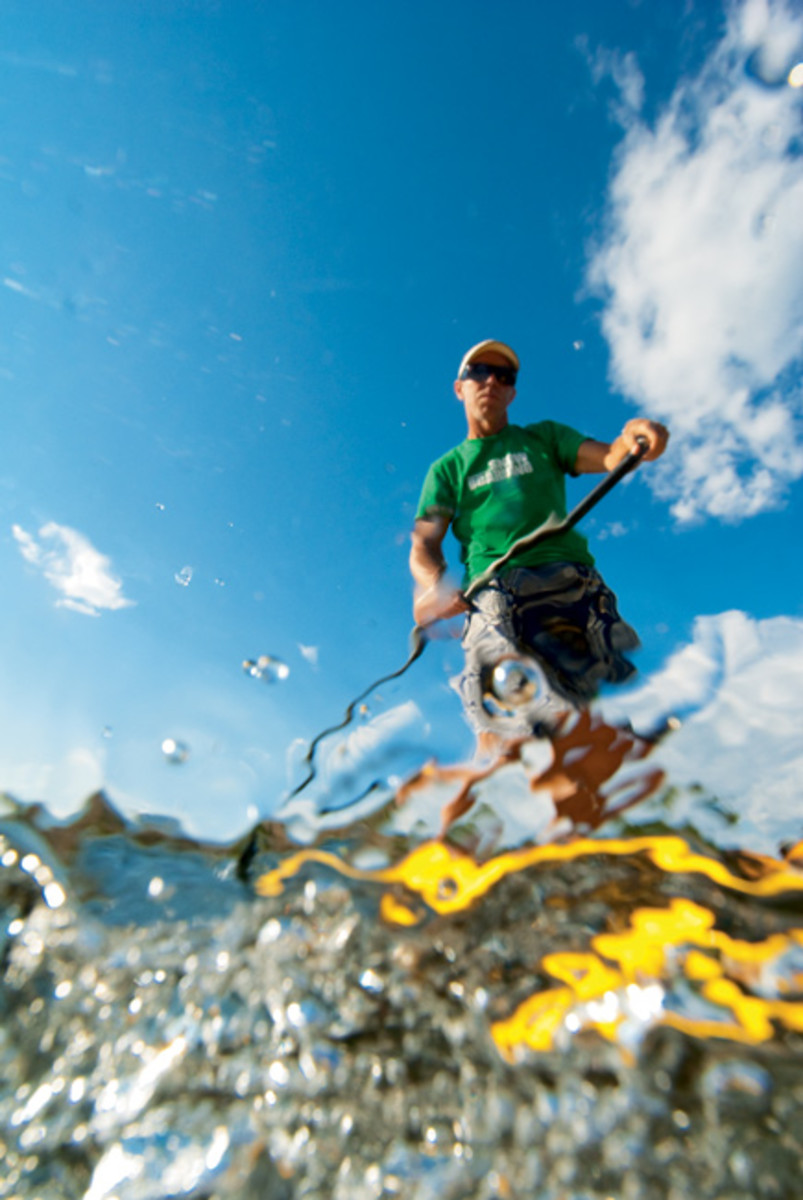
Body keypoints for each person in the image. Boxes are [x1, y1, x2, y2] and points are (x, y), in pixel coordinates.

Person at [409, 339, 669, 755]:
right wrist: (433, 587)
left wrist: (632, 438)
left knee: (612, 701)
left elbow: (608, 457)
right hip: (495, 591)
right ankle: (504, 767)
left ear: (512, 391)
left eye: (504, 376)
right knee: (507, 706)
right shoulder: (447, 469)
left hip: (572, 582)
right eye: (478, 371)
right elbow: (424, 541)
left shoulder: (545, 437)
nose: (491, 381)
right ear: (459, 387)